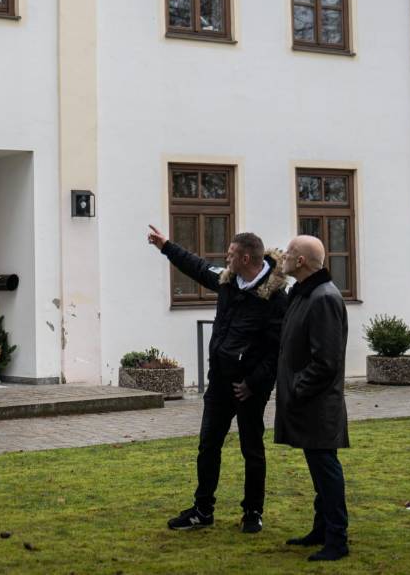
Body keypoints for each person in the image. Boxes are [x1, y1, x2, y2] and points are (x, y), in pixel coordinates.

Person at [147, 224, 287, 534]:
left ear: (247, 258)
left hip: (249, 388)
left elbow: (277, 350)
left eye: (231, 254)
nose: (226, 258)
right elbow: (196, 266)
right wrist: (166, 245)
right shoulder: (228, 281)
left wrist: (253, 384)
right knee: (208, 446)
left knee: (252, 449)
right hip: (220, 383)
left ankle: (252, 512)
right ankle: (202, 510)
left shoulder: (276, 296)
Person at [275, 234, 350, 562]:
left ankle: (337, 539)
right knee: (319, 469)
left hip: (317, 404)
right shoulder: (305, 294)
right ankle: (321, 530)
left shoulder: (323, 298)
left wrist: (297, 390)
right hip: (308, 402)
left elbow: (326, 361)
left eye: (289, 253)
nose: (283, 257)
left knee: (326, 469)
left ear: (301, 261)